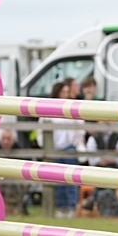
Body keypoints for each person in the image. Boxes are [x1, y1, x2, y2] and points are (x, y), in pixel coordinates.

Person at [39, 79, 84, 218]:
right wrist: (45, 147)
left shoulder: (71, 107)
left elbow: (79, 127)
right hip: (54, 149)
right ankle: (60, 207)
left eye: (66, 91)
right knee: (57, 181)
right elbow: (41, 130)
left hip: (69, 148)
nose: (65, 94)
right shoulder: (48, 109)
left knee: (70, 180)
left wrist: (76, 144)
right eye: (63, 92)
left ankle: (71, 207)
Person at [84, 122, 118, 217]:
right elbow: (92, 161)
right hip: (98, 172)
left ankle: (94, 199)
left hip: (115, 171)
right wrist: (111, 157)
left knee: (104, 185)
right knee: (106, 189)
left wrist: (102, 159)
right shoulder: (93, 138)